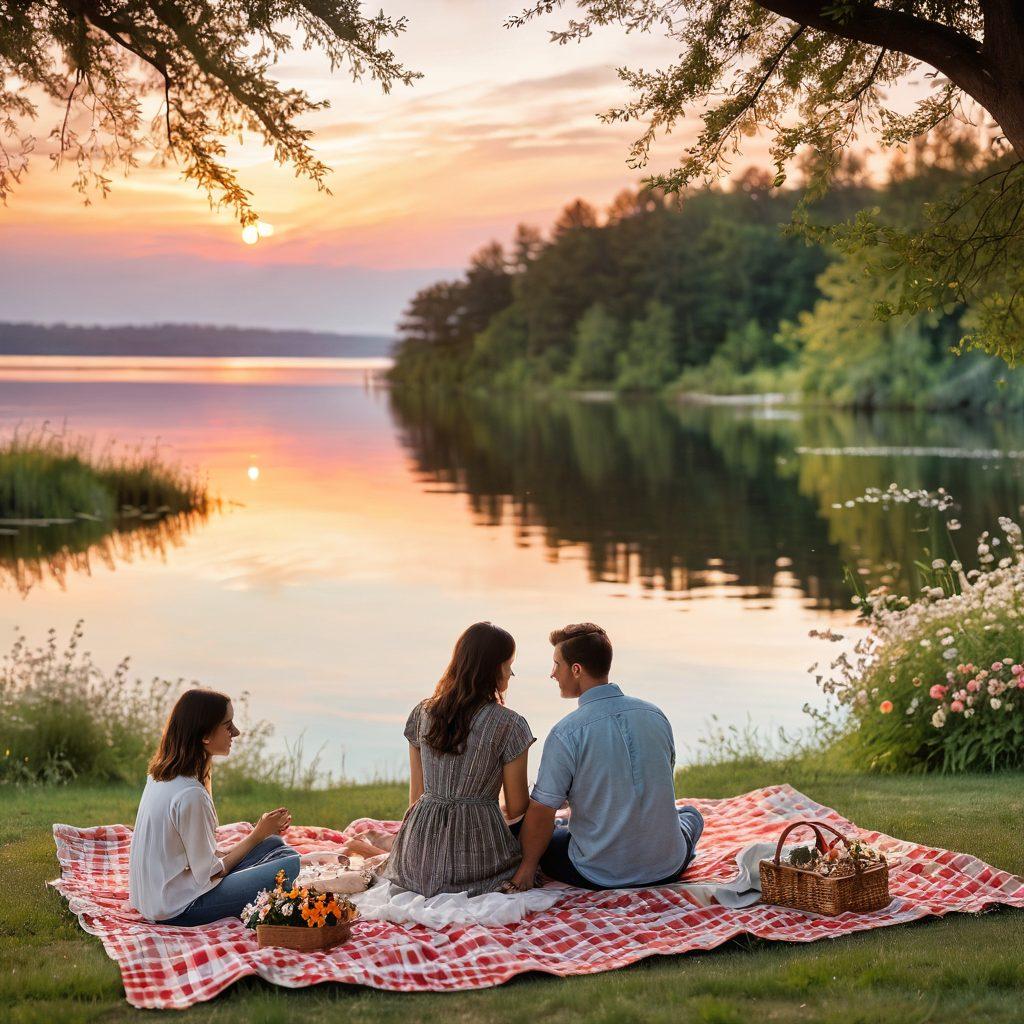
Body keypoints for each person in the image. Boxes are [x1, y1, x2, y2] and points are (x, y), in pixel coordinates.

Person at [505, 622, 703, 892]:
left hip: (598, 873)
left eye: (557, 664)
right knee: (691, 814)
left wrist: (527, 868)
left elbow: (542, 811)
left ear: (576, 670)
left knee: (531, 829)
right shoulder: (655, 715)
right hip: (666, 867)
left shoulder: (566, 733)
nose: (552, 674)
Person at [379, 622, 535, 897]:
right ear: (497, 667)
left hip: (418, 858)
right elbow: (516, 806)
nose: (511, 672)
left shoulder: (422, 713)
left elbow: (416, 799)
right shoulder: (511, 724)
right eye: (510, 664)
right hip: (477, 859)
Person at [129, 688, 302, 925]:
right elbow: (211, 872)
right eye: (228, 725)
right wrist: (256, 834)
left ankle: (261, 858)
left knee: (273, 845)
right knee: (290, 864)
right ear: (205, 735)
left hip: (154, 896)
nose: (236, 732)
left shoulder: (161, 775)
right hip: (178, 908)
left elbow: (203, 858)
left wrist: (262, 835)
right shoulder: (191, 795)